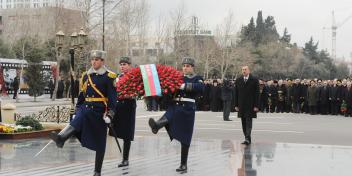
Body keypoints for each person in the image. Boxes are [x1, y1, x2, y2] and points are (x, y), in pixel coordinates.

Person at [48, 50, 117, 176]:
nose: (94, 62)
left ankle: (97, 171)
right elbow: (82, 95)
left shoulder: (109, 76)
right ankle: (62, 138)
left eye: (96, 59)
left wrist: (110, 114)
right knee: (80, 116)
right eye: (92, 59)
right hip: (86, 107)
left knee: (100, 143)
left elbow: (112, 99)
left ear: (102, 61)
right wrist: (78, 108)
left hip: (99, 111)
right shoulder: (86, 75)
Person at [148, 57, 204, 173]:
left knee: (185, 137)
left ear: (192, 67)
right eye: (183, 66)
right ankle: (157, 125)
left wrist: (184, 86)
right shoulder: (178, 77)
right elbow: (171, 90)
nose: (185, 68)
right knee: (170, 113)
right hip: (176, 104)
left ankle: (183, 164)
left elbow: (200, 88)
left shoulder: (197, 78)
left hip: (187, 108)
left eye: (187, 66)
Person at [110, 56, 137, 167]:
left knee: (127, 134)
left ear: (129, 65)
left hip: (128, 106)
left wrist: (130, 95)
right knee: (111, 127)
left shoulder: (134, 77)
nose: (122, 66)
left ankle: (125, 159)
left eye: (124, 64)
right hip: (117, 106)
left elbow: (137, 92)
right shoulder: (117, 77)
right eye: (121, 64)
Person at [234, 66, 259, 145]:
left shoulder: (254, 80)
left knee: (248, 122)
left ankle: (247, 138)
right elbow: (236, 93)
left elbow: (257, 94)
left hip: (251, 105)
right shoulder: (238, 80)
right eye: (243, 70)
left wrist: (256, 106)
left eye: (245, 69)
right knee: (243, 123)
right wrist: (236, 105)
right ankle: (247, 138)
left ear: (249, 70)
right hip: (241, 105)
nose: (244, 71)